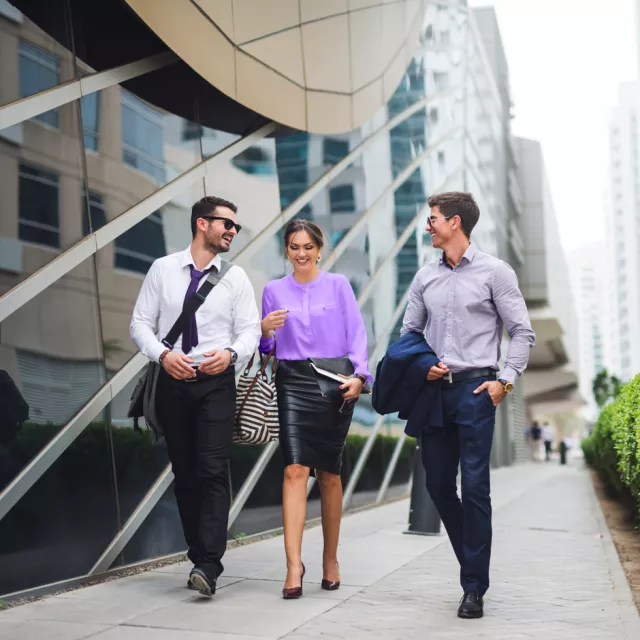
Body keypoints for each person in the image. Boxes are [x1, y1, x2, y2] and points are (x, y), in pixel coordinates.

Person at [401, 192, 535, 619]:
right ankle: (473, 563)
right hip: (435, 394)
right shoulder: (425, 277)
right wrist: (422, 368)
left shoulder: (496, 272)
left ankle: (473, 587)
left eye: (434, 219)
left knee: (475, 488)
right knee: (438, 485)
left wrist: (505, 384)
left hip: (478, 390)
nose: (428, 225)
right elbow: (409, 336)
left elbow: (522, 332)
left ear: (455, 223)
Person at [130, 196, 261, 597]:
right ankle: (198, 554)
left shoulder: (236, 278)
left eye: (235, 226)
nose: (233, 232)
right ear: (202, 224)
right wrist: (163, 355)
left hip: (216, 383)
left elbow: (250, 331)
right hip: (173, 380)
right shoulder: (163, 270)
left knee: (212, 468)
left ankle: (209, 563)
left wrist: (231, 355)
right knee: (185, 472)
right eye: (227, 224)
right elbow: (139, 324)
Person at [259, 219, 371, 599]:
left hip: (334, 381)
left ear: (319, 248)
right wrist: (264, 330)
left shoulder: (339, 285)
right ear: (286, 251)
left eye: (308, 246)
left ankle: (330, 559)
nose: (301, 253)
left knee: (329, 474)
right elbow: (268, 350)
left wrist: (360, 376)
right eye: (294, 246)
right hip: (292, 380)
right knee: (294, 469)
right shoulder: (273, 291)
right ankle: (293, 565)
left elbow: (356, 333)